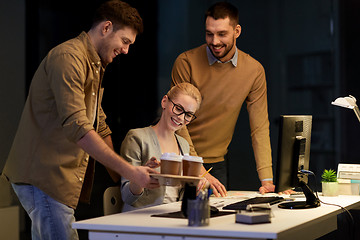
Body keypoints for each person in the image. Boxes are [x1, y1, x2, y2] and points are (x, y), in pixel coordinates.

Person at [1, 1, 158, 239]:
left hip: (54, 179)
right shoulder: (69, 57)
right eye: (125, 41)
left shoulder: (94, 63)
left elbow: (99, 124)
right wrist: (131, 172)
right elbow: (78, 127)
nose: (126, 50)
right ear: (106, 28)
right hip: (44, 177)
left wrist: (127, 177)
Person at [171, 2, 275, 196]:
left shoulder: (254, 71)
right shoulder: (186, 62)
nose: (215, 41)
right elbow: (177, 122)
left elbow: (259, 127)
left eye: (222, 34)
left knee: (215, 222)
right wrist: (197, 168)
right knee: (176, 221)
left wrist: (267, 180)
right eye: (209, 34)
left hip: (217, 164)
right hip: (180, 159)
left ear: (237, 31)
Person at [120, 82, 202, 212]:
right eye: (178, 108)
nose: (181, 118)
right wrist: (139, 179)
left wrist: (195, 187)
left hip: (172, 216)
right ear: (164, 102)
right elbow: (127, 196)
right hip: (140, 218)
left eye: (188, 115)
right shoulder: (136, 137)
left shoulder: (184, 145)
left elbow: (180, 196)